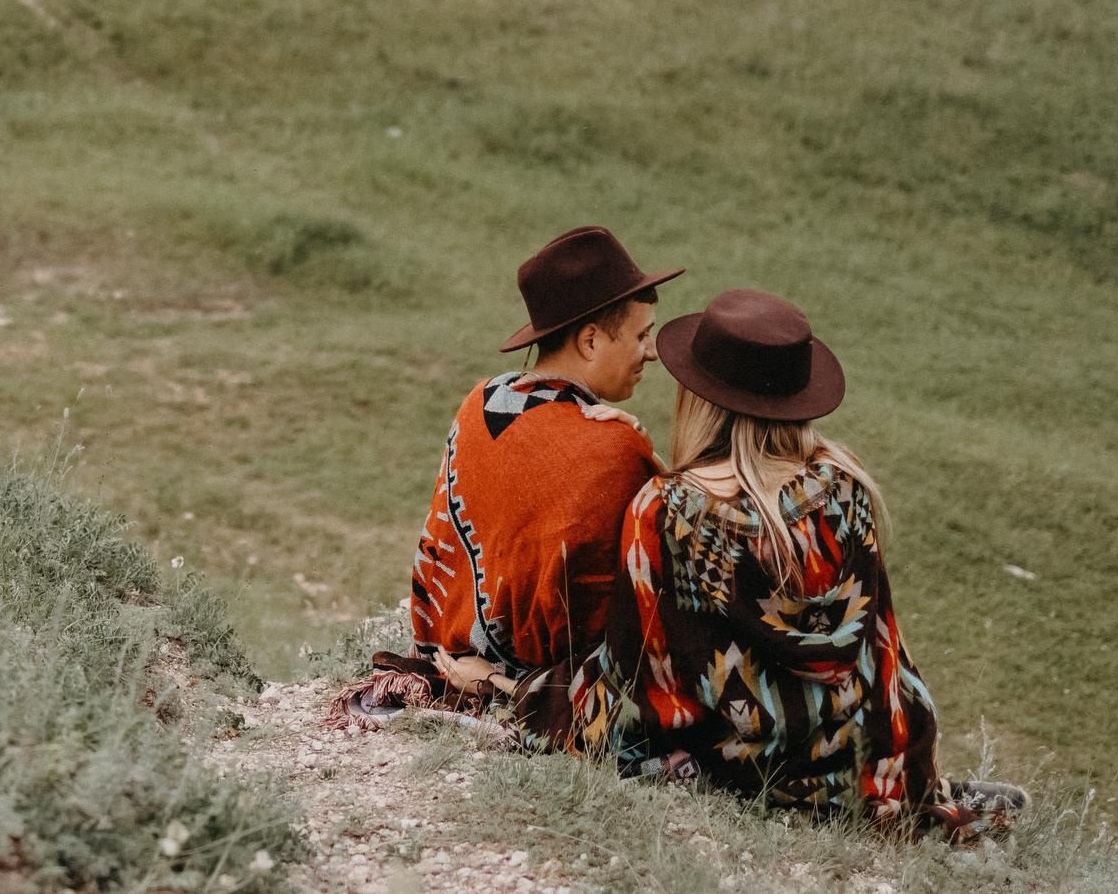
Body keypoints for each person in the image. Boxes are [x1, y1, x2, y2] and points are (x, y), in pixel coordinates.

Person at [622, 288, 1026, 840]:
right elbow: (884, 647)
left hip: (735, 773)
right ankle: (936, 800)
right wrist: (898, 774)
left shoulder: (661, 512)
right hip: (852, 771)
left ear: (700, 398)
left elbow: (656, 670)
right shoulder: (845, 485)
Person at [338, 226, 681, 752]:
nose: (652, 353)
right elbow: (642, 600)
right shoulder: (612, 448)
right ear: (590, 340)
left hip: (446, 655)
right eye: (640, 336)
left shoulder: (484, 398)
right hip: (546, 692)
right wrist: (642, 449)